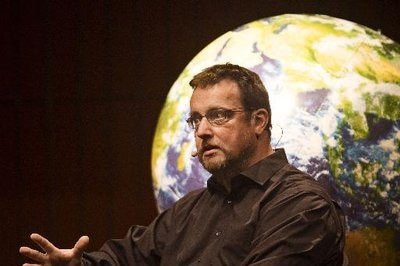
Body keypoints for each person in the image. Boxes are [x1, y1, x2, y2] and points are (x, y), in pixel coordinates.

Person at [20, 63, 346, 265]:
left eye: (219, 115)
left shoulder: (303, 205)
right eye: (196, 120)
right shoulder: (189, 210)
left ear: (259, 121)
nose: (203, 131)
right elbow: (126, 257)